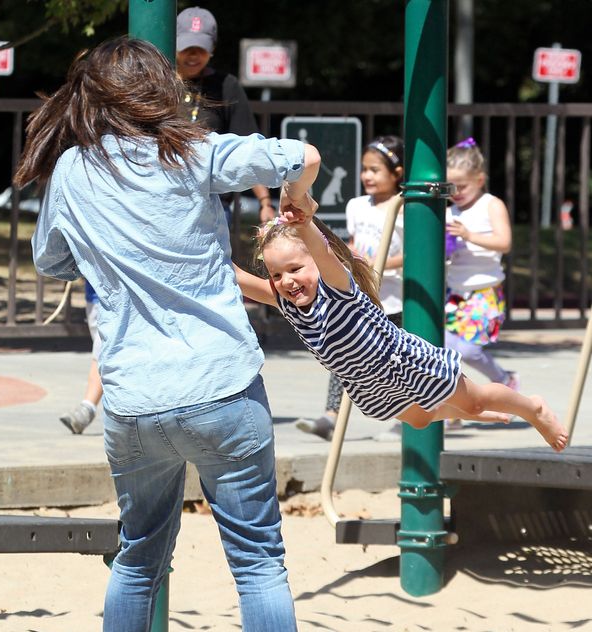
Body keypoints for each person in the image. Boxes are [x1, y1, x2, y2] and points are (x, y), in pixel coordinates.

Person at [14, 37, 321, 632]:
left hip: (133, 399)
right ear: (159, 91)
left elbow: (51, 259)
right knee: (259, 561)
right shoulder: (197, 153)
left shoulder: (71, 172)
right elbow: (300, 156)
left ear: (90, 98)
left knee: (138, 555)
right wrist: (297, 205)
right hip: (221, 386)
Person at [235, 206, 568, 453]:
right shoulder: (286, 301)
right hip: (366, 384)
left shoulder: (336, 286)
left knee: (476, 401)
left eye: (295, 268)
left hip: (404, 361)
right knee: (421, 420)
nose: (287, 281)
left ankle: (532, 407)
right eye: (277, 275)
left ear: (318, 262)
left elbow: (321, 251)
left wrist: (305, 223)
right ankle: (474, 413)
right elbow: (241, 281)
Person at [295, 135, 405, 442]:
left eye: (375, 170)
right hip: (364, 295)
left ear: (396, 173)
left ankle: (406, 418)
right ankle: (330, 418)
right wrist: (354, 263)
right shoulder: (357, 205)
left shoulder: (403, 208)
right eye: (365, 169)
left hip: (395, 300)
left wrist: (380, 263)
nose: (367, 176)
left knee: (392, 363)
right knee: (345, 353)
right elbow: (356, 244)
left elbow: (414, 256)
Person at [176, 6, 276, 225]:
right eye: (186, 47)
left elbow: (247, 143)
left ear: (212, 48)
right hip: (169, 195)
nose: (193, 55)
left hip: (214, 201)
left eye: (200, 48)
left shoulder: (227, 85)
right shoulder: (160, 83)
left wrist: (265, 201)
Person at [444, 137, 516, 429]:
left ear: (480, 179)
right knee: (446, 353)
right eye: (451, 187)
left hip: (484, 292)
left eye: (462, 186)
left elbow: (505, 242)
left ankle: (503, 378)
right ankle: (453, 409)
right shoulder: (449, 211)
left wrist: (469, 236)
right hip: (454, 292)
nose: (456, 193)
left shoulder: (490, 204)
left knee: (467, 350)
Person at [59, 280, 103, 433]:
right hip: (95, 293)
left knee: (104, 348)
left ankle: (88, 406)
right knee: (103, 351)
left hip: (122, 294)